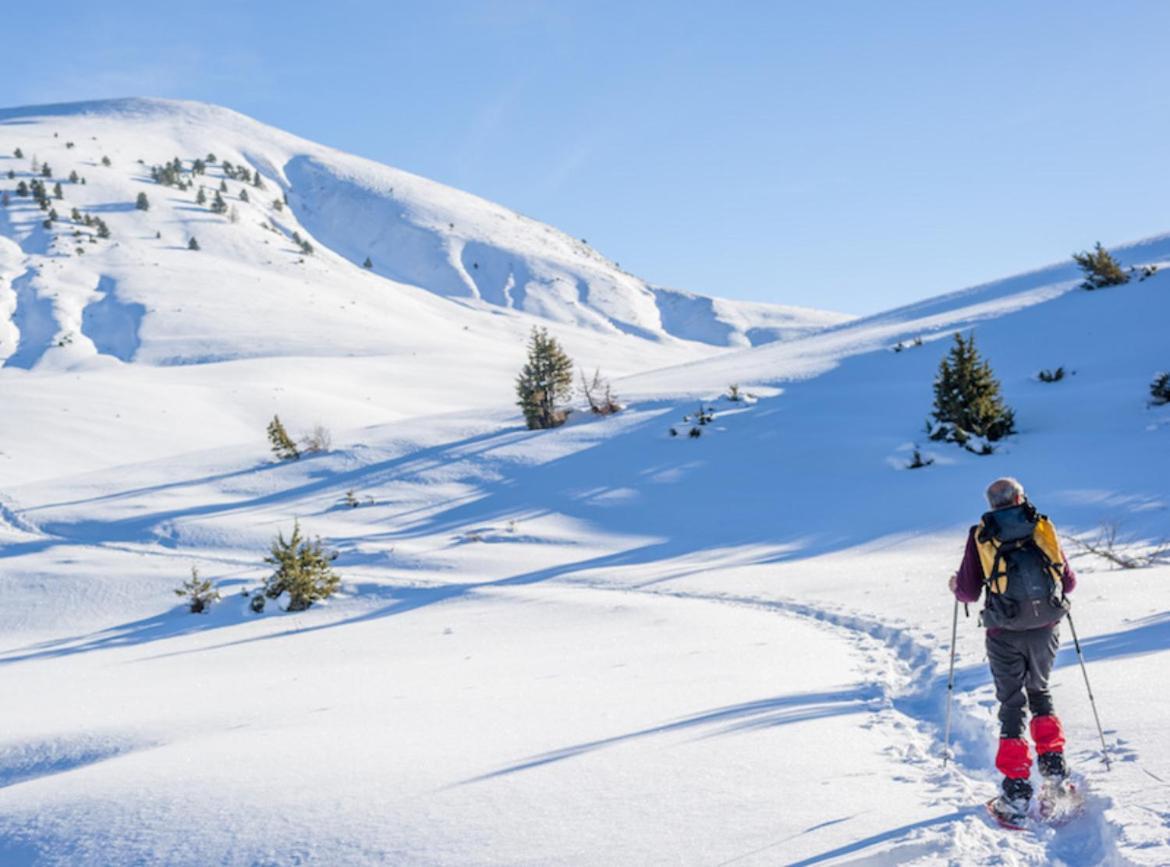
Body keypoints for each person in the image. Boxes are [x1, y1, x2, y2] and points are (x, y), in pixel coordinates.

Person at [949, 476, 1077, 825]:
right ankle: (1055, 779)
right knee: (1040, 692)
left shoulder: (982, 534)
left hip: (1003, 631)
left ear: (991, 505)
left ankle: (1017, 793)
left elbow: (968, 592)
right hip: (1045, 628)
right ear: (1021, 497)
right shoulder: (1040, 525)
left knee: (1011, 703)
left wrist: (954, 587)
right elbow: (1068, 582)